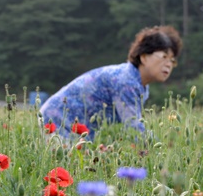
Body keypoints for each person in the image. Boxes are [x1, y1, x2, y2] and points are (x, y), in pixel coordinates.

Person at [40, 26, 183, 139]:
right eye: (164, 57)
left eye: (172, 60)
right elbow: (133, 127)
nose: (168, 64)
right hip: (58, 121)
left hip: (78, 130)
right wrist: (163, 149)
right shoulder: (126, 81)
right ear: (144, 57)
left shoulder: (140, 85)